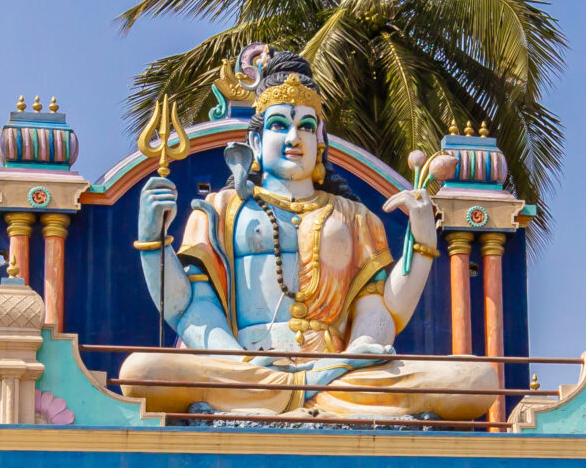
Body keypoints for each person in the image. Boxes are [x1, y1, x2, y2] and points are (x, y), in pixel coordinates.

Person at [121, 49, 499, 421]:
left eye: (305, 126)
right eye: (278, 125)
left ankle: (298, 398)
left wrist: (421, 238)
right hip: (247, 371)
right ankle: (291, 397)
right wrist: (152, 237)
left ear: (319, 140)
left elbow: (378, 311)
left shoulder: (354, 217)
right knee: (142, 372)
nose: (293, 138)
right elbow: (191, 308)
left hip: (338, 374)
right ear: (255, 142)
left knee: (475, 380)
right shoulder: (219, 209)